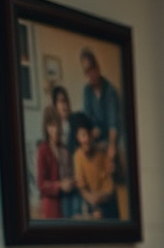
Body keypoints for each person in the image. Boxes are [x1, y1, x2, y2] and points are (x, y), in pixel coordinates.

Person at [79, 47, 122, 165]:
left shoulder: (110, 91)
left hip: (110, 136)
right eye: (85, 72)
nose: (89, 75)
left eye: (90, 70)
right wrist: (90, 134)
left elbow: (113, 124)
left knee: (117, 151)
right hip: (94, 136)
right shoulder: (87, 91)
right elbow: (87, 117)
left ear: (97, 68)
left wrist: (112, 145)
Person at [70, 112, 117, 219]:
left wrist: (99, 199)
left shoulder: (102, 153)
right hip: (90, 203)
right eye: (82, 135)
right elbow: (82, 187)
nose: (85, 139)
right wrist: (92, 200)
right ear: (77, 137)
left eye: (87, 135)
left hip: (106, 202)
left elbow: (110, 188)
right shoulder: (77, 156)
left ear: (92, 135)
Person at [34, 107, 74, 219]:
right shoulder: (43, 150)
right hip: (51, 205)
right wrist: (60, 185)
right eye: (51, 126)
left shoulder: (65, 150)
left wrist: (71, 182)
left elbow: (71, 174)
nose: (55, 130)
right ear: (46, 128)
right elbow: (41, 184)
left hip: (68, 203)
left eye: (57, 125)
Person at [50, 87, 81, 217]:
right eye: (60, 101)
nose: (63, 104)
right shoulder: (52, 127)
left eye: (65, 101)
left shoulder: (76, 121)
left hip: (76, 178)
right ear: (55, 105)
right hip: (61, 181)